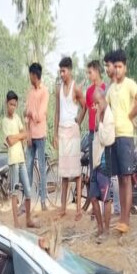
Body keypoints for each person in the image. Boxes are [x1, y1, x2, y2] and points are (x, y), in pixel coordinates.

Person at [106, 49, 137, 235]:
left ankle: (126, 220)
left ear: (125, 68)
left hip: (126, 136)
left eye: (121, 67)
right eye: (116, 67)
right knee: (120, 178)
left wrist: (130, 115)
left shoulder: (130, 84)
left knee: (127, 178)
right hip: (113, 136)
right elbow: (104, 107)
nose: (118, 70)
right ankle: (121, 218)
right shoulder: (111, 89)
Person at [55, 57, 85, 219]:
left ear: (70, 71)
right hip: (62, 130)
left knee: (76, 171)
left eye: (64, 71)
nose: (61, 74)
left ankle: (79, 209)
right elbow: (57, 112)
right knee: (64, 172)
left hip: (73, 131)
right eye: (60, 71)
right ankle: (63, 207)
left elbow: (85, 105)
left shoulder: (76, 89)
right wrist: (54, 133)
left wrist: (78, 121)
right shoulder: (59, 89)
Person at [2, 91, 37, 229]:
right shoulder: (5, 121)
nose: (13, 107)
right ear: (7, 104)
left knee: (28, 191)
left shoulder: (17, 118)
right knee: (15, 191)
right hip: (13, 161)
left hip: (21, 159)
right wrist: (20, 136)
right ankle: (16, 222)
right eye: (11, 104)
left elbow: (25, 134)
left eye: (15, 105)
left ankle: (28, 219)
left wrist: (18, 136)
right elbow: (9, 140)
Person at [88, 88, 115, 237]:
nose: (95, 106)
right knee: (93, 197)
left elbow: (106, 139)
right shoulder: (100, 115)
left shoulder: (109, 117)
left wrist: (99, 120)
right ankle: (99, 228)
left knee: (106, 199)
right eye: (94, 103)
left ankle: (107, 229)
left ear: (103, 99)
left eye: (97, 102)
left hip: (104, 163)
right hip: (96, 163)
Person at [24, 62, 49, 211]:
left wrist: (30, 113)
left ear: (35, 75)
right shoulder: (30, 92)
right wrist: (27, 132)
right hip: (31, 135)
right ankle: (27, 200)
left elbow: (39, 116)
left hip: (40, 135)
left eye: (30, 75)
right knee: (28, 168)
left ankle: (44, 201)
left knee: (41, 168)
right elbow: (25, 113)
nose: (29, 78)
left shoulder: (44, 92)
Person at [102, 53, 121, 217]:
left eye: (107, 65)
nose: (106, 69)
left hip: (118, 133)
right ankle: (117, 207)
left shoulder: (118, 85)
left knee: (117, 175)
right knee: (113, 173)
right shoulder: (109, 87)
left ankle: (118, 208)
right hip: (109, 134)